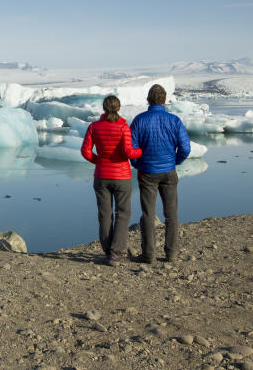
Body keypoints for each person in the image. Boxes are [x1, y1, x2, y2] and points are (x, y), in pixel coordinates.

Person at [129, 84, 191, 264]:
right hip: (168, 171)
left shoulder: (140, 120)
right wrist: (175, 161)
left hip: (147, 172)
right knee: (171, 214)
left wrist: (138, 164)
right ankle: (171, 254)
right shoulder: (174, 120)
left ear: (148, 99)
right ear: (164, 100)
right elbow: (185, 148)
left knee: (148, 213)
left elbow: (131, 148)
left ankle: (149, 255)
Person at [80, 95, 142, 266]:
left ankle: (108, 251)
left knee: (105, 214)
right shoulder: (123, 127)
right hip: (121, 176)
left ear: (104, 108)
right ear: (118, 107)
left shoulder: (94, 127)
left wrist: (99, 161)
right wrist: (140, 152)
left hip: (101, 176)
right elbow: (129, 152)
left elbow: (85, 151)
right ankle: (117, 252)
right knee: (123, 213)